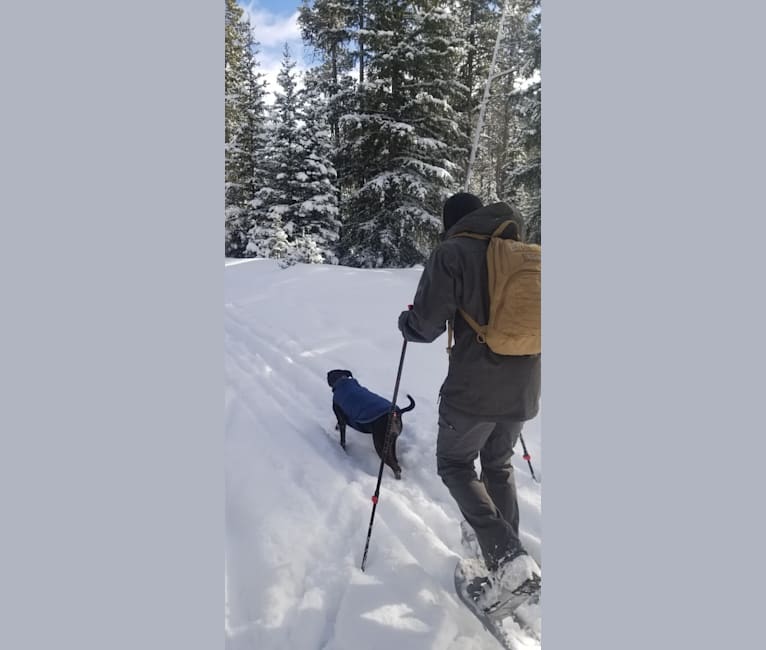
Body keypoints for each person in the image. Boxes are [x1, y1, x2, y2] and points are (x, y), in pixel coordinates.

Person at [397, 192, 541, 604]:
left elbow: (424, 327)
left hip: (474, 389)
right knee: (498, 464)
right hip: (526, 383)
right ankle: (508, 560)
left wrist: (406, 322)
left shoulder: (452, 252)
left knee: (455, 463)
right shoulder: (522, 251)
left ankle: (507, 558)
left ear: (453, 222)